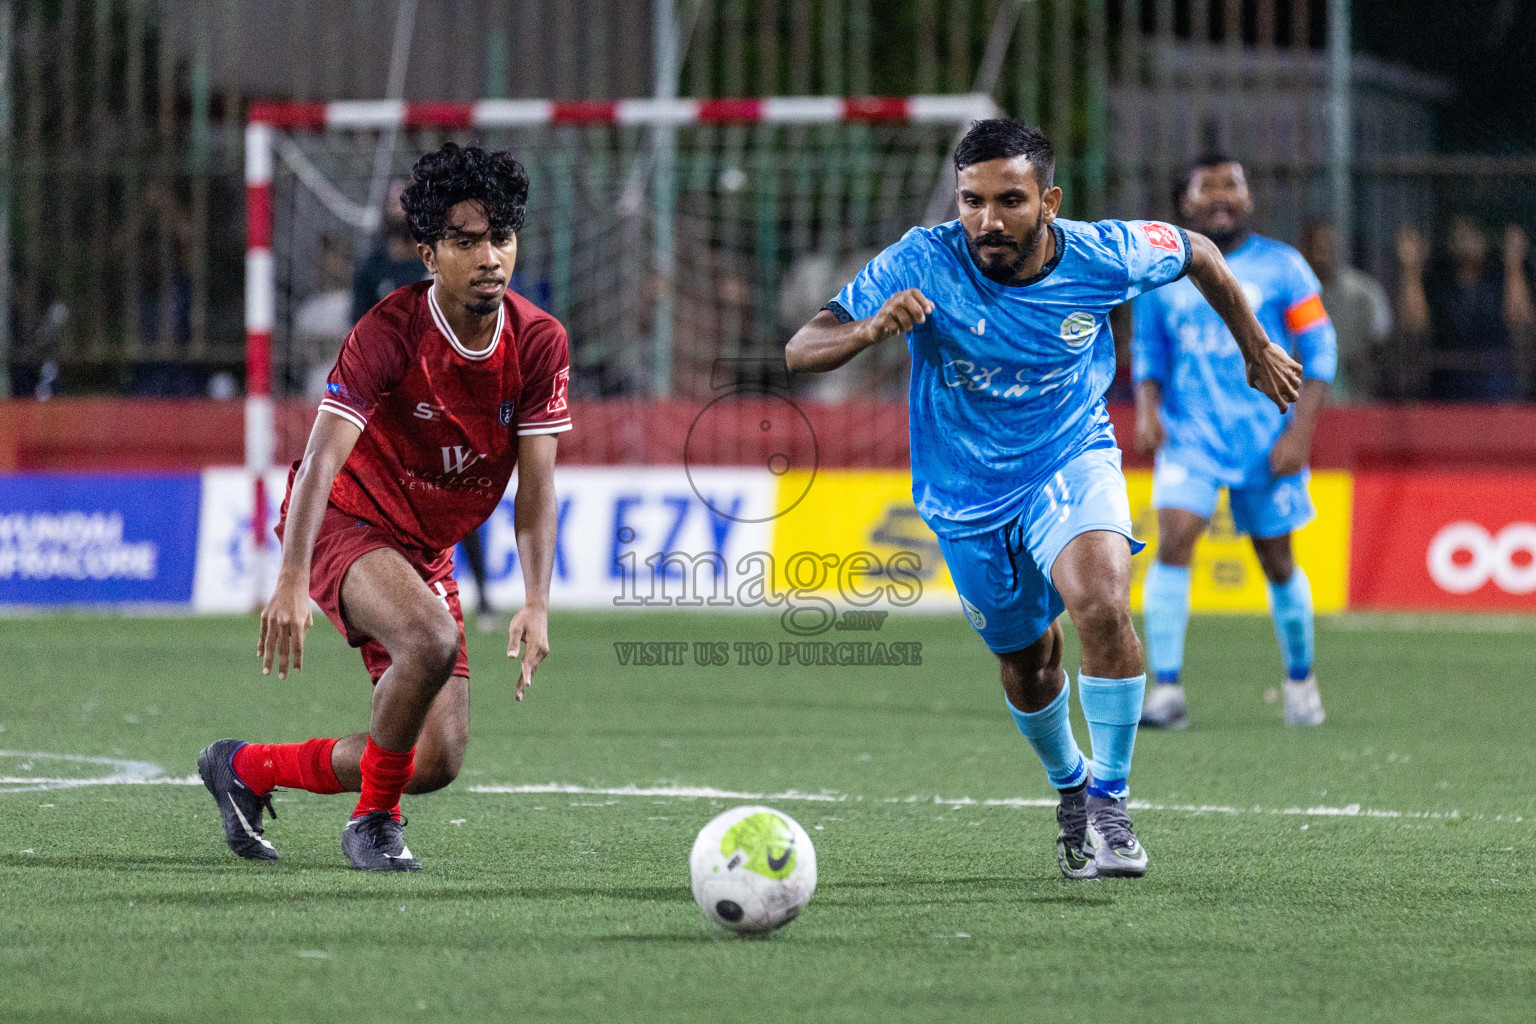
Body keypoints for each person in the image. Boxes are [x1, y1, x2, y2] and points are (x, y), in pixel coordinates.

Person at [786, 122, 1299, 880]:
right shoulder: (922, 258)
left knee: (1100, 604)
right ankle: (1068, 787)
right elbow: (802, 348)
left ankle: (1111, 804)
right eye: (973, 201)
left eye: (1010, 200)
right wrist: (869, 329)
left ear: (1049, 201)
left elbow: (1202, 253)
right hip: (964, 493)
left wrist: (1253, 345)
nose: (989, 221)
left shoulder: (1104, 253)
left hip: (1071, 457)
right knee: (1029, 661)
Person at [197, 144, 571, 872]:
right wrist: (291, 578)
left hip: (422, 549)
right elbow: (322, 458)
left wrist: (536, 600)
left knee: (434, 758)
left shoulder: (539, 343)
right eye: (466, 241)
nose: (490, 256)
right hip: (348, 522)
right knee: (430, 640)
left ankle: (247, 768)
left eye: (501, 237)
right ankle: (372, 823)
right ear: (429, 253)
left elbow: (537, 491)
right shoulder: (390, 333)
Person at [1132, 155, 1336, 731]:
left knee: (1277, 560)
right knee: (1173, 541)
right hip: (1190, 438)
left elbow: (1321, 353)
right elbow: (1149, 353)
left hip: (1266, 440)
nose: (1221, 196)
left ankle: (1301, 681)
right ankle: (1166, 692)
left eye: (1232, 186)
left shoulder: (1285, 267)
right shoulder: (1161, 270)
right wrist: (1148, 412)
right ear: (1184, 202)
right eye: (1208, 187)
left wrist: (1299, 433)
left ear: (1247, 198)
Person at [1397, 217, 1534, 402]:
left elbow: (1519, 320)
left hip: (1496, 382)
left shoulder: (1499, 275)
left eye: (1471, 233)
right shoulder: (1438, 278)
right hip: (1445, 383)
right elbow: (1413, 323)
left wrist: (1514, 263)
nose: (1465, 241)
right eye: (1459, 235)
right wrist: (1411, 268)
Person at [1299, 219, 1391, 402]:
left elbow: (1384, 341)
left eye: (1329, 246)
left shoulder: (1363, 293)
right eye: (1317, 246)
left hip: (1356, 398)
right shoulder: (1291, 293)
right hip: (1300, 400)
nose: (1323, 254)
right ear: (1304, 249)